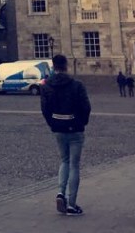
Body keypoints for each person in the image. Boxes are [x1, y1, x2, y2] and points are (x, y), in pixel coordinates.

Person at [41, 54, 91, 216]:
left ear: (53, 66)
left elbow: (45, 109)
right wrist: (82, 122)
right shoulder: (77, 85)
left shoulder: (47, 85)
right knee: (74, 164)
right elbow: (86, 107)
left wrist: (52, 123)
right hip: (75, 128)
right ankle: (72, 204)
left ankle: (60, 193)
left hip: (58, 128)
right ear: (66, 65)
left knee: (64, 160)